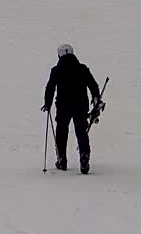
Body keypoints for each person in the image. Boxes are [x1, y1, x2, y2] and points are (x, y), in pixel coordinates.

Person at [41, 44, 102, 173]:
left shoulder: (56, 70)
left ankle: (61, 158)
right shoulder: (82, 68)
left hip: (63, 106)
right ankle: (84, 155)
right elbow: (92, 84)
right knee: (81, 131)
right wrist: (96, 97)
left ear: (59, 55)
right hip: (80, 105)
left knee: (62, 131)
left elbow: (50, 87)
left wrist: (47, 103)